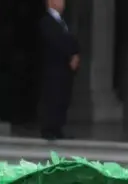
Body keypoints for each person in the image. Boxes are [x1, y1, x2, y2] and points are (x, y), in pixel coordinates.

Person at [38, 0, 80, 141]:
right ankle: (49, 129)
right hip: (53, 68)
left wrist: (75, 54)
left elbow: (71, 40)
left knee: (62, 98)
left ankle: (57, 128)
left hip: (63, 68)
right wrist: (70, 54)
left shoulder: (63, 21)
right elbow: (56, 41)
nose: (63, 3)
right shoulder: (46, 21)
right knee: (52, 98)